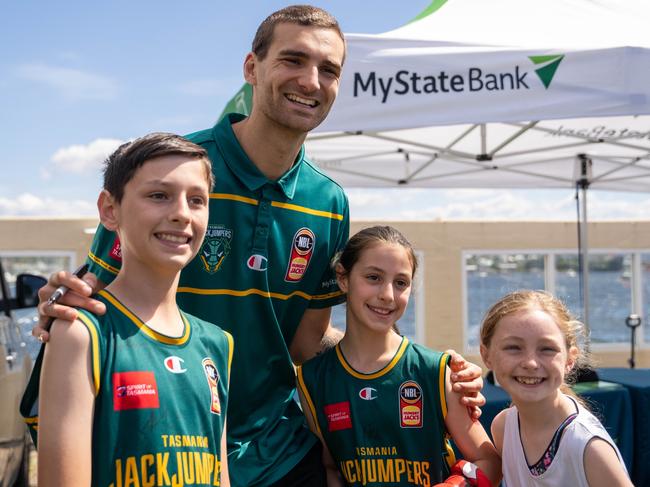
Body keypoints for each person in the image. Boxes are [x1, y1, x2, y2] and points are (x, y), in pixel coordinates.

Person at [32, 6, 485, 486]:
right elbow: (94, 295)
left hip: (278, 451)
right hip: (161, 446)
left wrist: (426, 368)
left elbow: (306, 342)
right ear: (252, 68)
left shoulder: (328, 202)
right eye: (293, 60)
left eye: (328, 70)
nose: (310, 81)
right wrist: (60, 304)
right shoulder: (177, 172)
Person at [21, 133, 232, 486]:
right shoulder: (80, 332)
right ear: (109, 209)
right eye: (158, 195)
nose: (181, 213)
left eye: (197, 200)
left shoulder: (217, 344)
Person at [297, 226, 501, 486]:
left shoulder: (436, 371)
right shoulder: (312, 379)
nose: (387, 295)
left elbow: (489, 462)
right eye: (373, 277)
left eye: (401, 283)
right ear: (343, 278)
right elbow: (331, 469)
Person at [479, 290, 632, 487]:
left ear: (570, 359)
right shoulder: (504, 427)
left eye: (547, 349)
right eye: (513, 347)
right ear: (486, 355)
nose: (531, 363)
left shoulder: (588, 448)